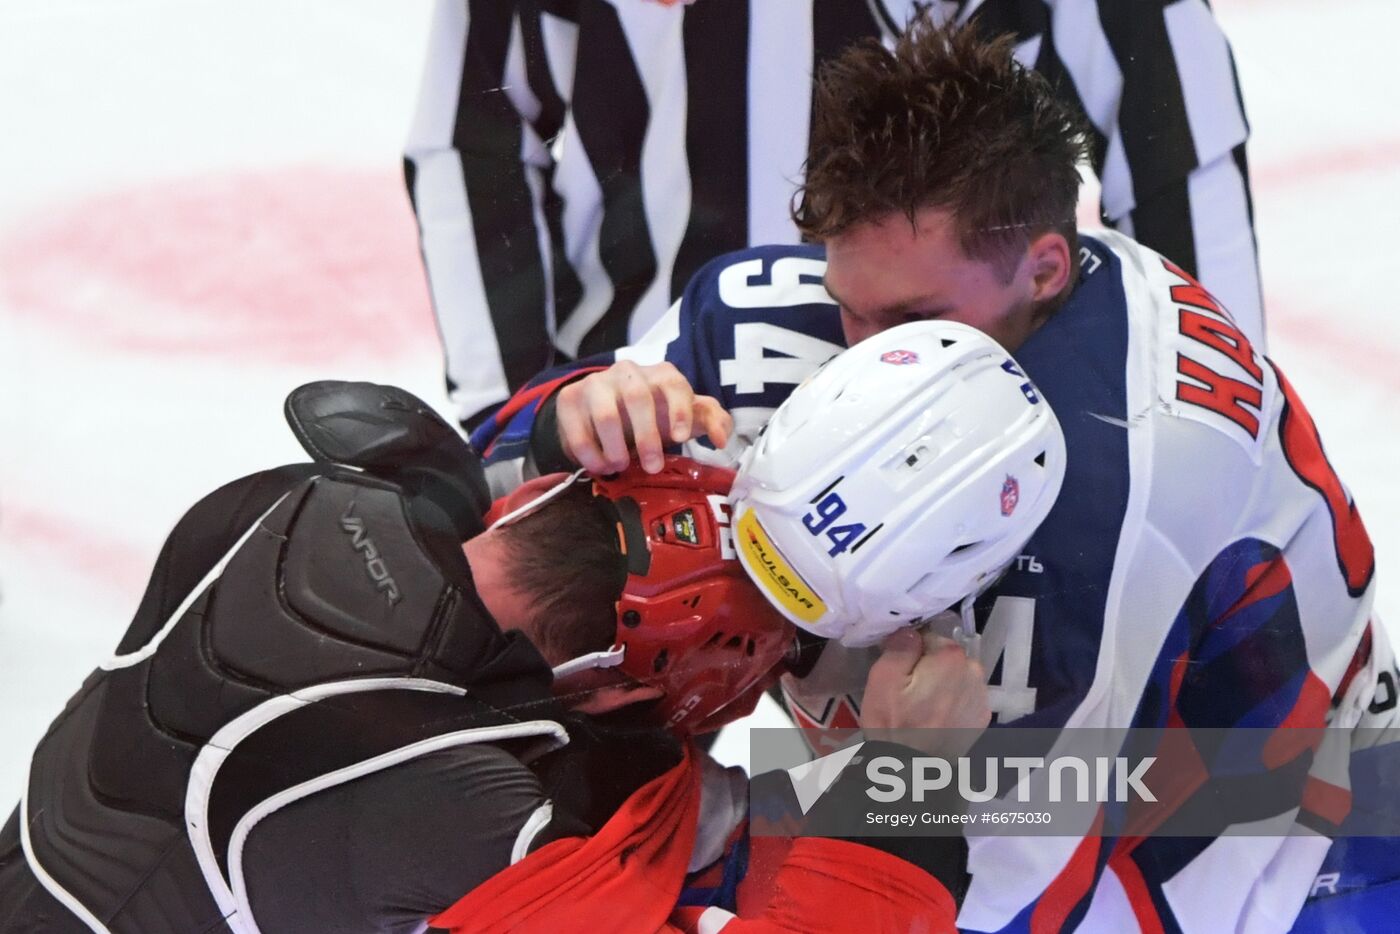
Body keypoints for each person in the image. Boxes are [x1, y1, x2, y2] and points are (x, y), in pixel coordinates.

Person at [471, 20, 1388, 932]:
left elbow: (1001, 899)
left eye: (914, 319)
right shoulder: (764, 317)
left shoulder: (1118, 501)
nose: (867, 356)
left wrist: (695, 834)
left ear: (1044, 270)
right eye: (847, 309)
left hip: (1278, 852)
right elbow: (480, 483)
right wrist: (566, 420)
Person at [0, 380, 985, 932]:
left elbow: (462, 484)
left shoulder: (272, 507)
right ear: (610, 683)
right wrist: (913, 782)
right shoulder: (493, 828)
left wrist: (561, 418)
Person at [405, 0, 1263, 432]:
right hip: (657, 425)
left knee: (945, 772)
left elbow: (1178, 166)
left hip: (985, 464)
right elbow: (473, 132)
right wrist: (520, 413)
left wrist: (1199, 445)